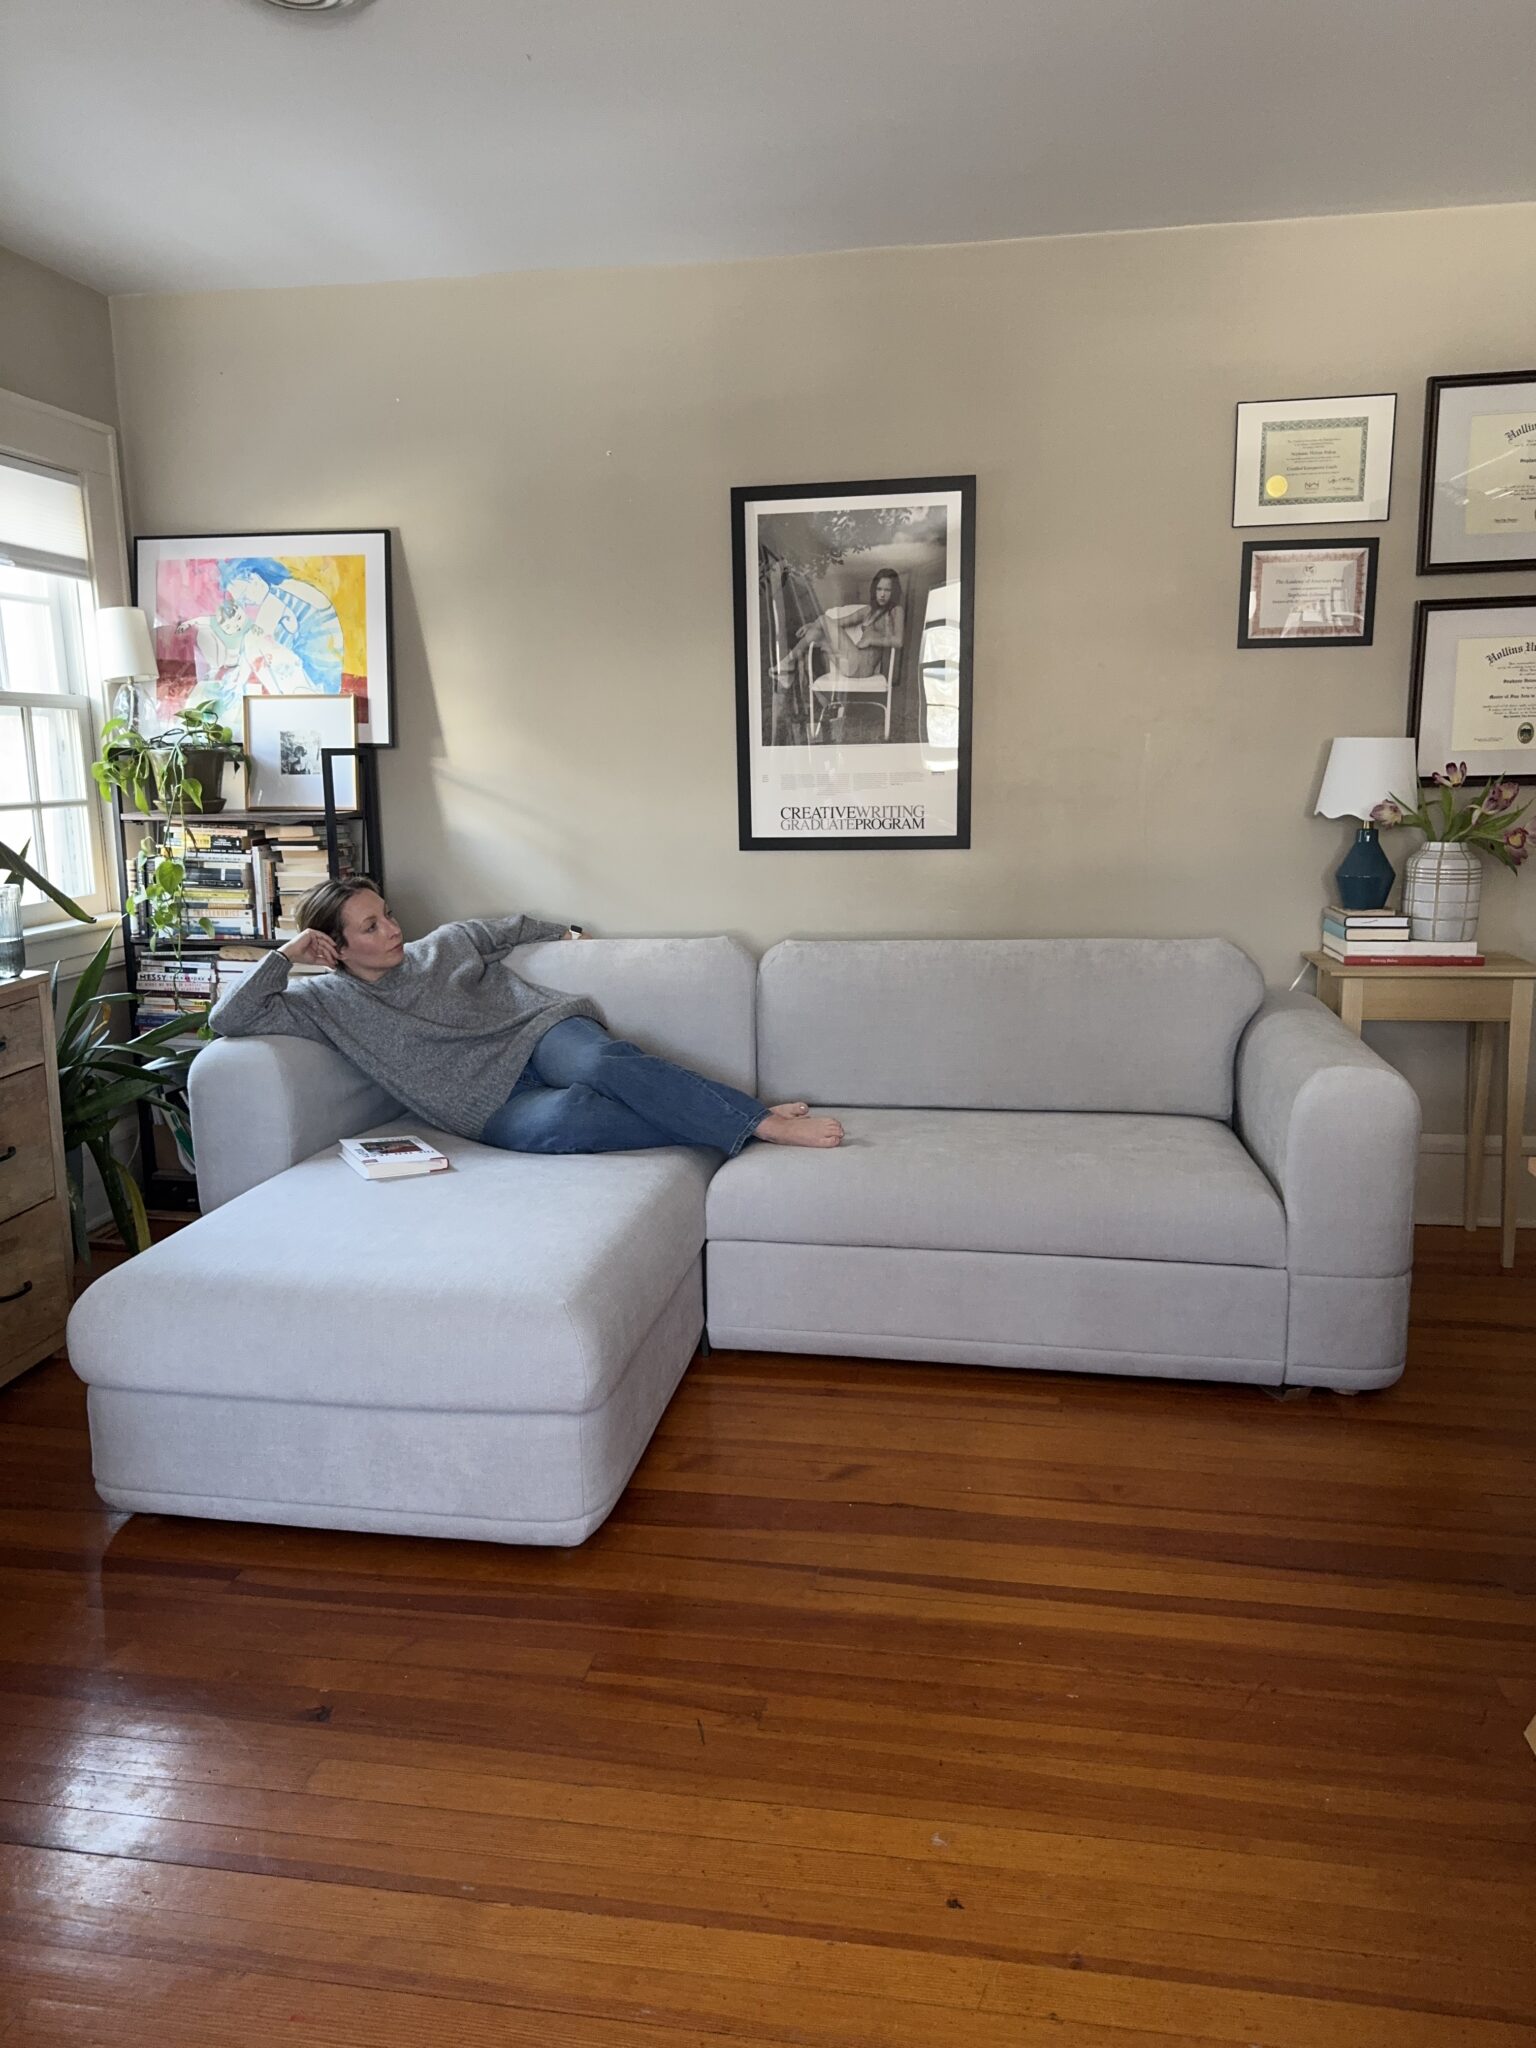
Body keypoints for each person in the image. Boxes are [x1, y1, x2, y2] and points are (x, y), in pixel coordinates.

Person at [209, 878, 844, 1156]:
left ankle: (755, 1124)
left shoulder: (445, 944)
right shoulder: (325, 1006)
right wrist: (285, 956)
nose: (394, 928)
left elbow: (509, 927)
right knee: (566, 1123)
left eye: (390, 913)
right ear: (335, 948)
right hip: (488, 1104)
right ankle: (724, 1119)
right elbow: (228, 1019)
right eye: (371, 925)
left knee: (598, 1061)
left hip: (537, 1036)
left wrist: (566, 934)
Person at [772, 568, 904, 687]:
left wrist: (871, 640)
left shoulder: (896, 610)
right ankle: (787, 671)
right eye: (879, 589)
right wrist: (812, 625)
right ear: (874, 590)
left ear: (894, 592)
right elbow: (838, 623)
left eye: (887, 590)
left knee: (823, 620)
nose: (882, 594)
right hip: (849, 663)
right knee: (815, 633)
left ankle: (787, 664)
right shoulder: (868, 611)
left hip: (862, 667)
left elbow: (898, 641)